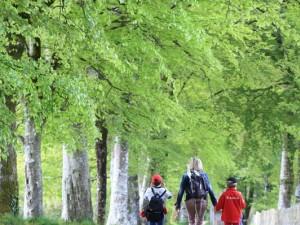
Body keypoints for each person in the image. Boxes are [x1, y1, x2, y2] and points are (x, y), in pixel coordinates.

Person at [175, 157, 217, 225]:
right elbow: (210, 189)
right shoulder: (204, 175)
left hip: (190, 200)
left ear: (191, 164)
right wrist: (215, 204)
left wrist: (178, 205)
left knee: (191, 221)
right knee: (200, 221)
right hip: (202, 200)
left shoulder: (186, 175)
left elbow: (181, 191)